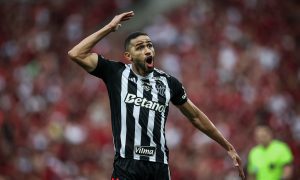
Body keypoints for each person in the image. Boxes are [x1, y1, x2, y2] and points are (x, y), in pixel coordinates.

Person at [68, 11, 245, 180]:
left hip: (158, 165)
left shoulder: (168, 82)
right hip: (127, 164)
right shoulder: (116, 72)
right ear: (128, 56)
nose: (147, 50)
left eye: (149, 45)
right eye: (140, 47)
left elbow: (196, 116)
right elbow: (76, 53)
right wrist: (109, 27)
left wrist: (227, 146)